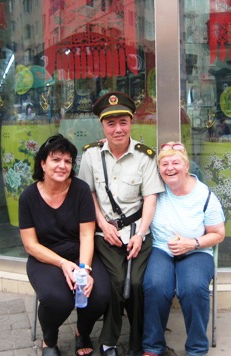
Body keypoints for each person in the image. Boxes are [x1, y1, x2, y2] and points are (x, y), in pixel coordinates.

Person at [79, 92, 165, 356]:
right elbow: (88, 194)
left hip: (137, 232)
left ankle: (139, 342)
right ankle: (109, 341)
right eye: (111, 123)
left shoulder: (145, 156)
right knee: (117, 281)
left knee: (138, 284)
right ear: (102, 126)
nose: (118, 129)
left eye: (123, 122)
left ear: (131, 122)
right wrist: (103, 226)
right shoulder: (91, 155)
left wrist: (140, 235)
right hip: (105, 234)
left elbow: (150, 198)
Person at [19, 134, 111, 356]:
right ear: (43, 163)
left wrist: (84, 270)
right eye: (56, 159)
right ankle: (49, 341)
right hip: (46, 258)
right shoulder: (28, 197)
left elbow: (87, 236)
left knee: (99, 295)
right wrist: (62, 264)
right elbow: (31, 245)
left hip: (81, 253)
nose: (62, 166)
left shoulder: (80, 190)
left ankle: (83, 331)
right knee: (57, 300)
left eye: (68, 161)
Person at [142, 142, 226, 356]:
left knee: (193, 287)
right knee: (155, 285)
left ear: (186, 166)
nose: (170, 168)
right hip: (162, 248)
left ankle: (197, 348)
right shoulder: (157, 191)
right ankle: (152, 346)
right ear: (159, 169)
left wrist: (192, 243)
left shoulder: (205, 196)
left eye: (175, 162)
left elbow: (218, 234)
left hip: (196, 250)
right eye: (164, 164)